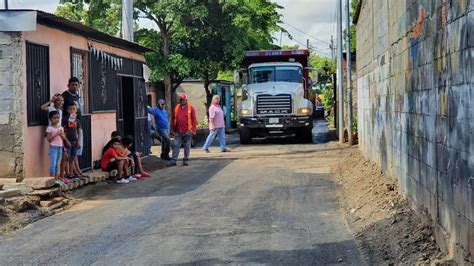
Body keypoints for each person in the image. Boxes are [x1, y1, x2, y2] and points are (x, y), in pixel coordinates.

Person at [167, 93, 196, 167]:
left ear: (186, 100)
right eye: (181, 100)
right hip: (178, 131)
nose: (182, 101)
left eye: (183, 100)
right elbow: (174, 119)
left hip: (188, 131)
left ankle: (185, 160)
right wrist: (172, 129)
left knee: (187, 146)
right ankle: (174, 161)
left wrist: (193, 130)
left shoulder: (190, 108)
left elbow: (194, 120)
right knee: (176, 145)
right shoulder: (176, 107)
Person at [45, 111, 71, 182]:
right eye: (54, 118)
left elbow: (62, 139)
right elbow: (49, 139)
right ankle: (51, 179)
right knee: (53, 165)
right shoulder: (49, 128)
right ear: (50, 119)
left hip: (60, 147)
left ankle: (56, 179)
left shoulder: (61, 127)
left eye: (58, 118)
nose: (56, 119)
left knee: (57, 165)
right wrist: (56, 134)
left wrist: (63, 137)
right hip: (53, 147)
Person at [62, 103, 82, 180]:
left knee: (72, 157)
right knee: (66, 157)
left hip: (74, 141)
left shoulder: (77, 120)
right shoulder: (64, 120)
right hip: (67, 141)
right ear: (67, 110)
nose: (72, 110)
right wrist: (66, 141)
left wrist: (78, 141)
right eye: (70, 109)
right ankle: (66, 173)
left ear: (76, 110)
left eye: (73, 109)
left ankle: (71, 173)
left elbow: (78, 131)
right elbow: (64, 131)